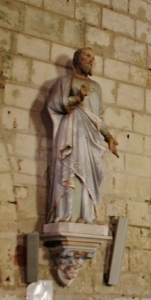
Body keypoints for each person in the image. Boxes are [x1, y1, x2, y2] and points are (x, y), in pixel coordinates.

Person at [47, 47, 119, 225]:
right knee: (71, 169)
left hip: (90, 136)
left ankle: (87, 216)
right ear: (77, 59)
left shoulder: (96, 87)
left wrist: (108, 136)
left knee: (90, 171)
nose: (91, 60)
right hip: (71, 130)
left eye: (93, 58)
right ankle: (66, 215)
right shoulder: (65, 81)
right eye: (87, 56)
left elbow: (98, 116)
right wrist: (77, 98)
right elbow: (55, 103)